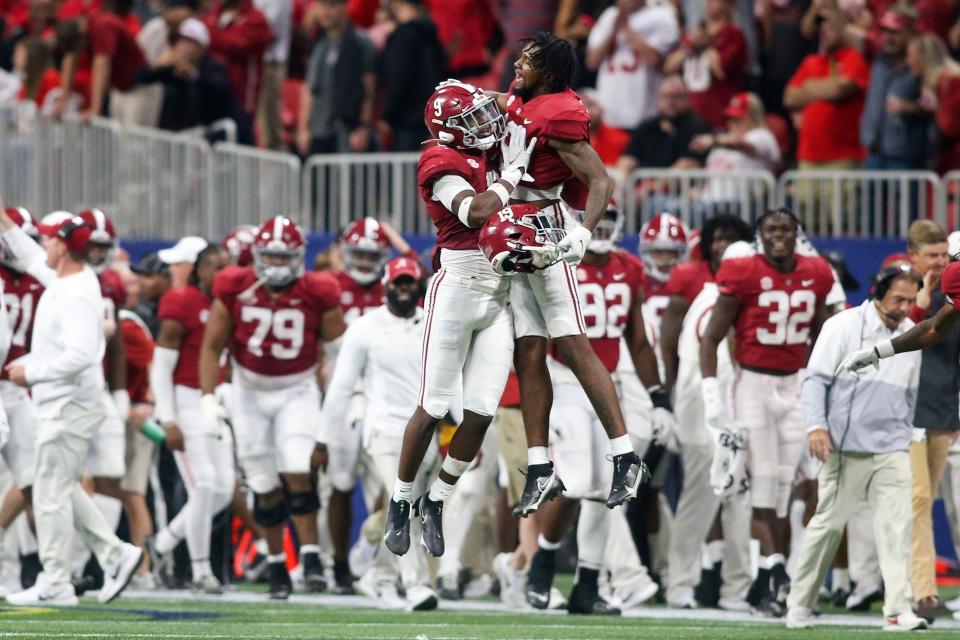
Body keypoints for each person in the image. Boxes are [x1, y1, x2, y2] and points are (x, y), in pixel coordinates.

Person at [382, 78, 535, 559]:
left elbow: (513, 108)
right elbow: (474, 212)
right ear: (450, 131)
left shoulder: (484, 152)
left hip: (498, 294)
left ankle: (437, 499)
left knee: (483, 412)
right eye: (472, 120)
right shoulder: (438, 160)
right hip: (456, 288)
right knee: (432, 405)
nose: (485, 124)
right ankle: (400, 501)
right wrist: (512, 174)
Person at [524, 204, 672, 615]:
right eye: (596, 219)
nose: (603, 227)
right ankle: (543, 562)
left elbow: (638, 341)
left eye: (609, 219)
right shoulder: (555, 261)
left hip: (606, 385)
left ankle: (588, 584)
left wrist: (658, 394)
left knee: (607, 488)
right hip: (566, 381)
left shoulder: (629, 268)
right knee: (579, 480)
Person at [0, 209, 142, 607]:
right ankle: (116, 553)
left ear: (61, 246)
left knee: (48, 494)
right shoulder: (68, 278)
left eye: (48, 239)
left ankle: (56, 581)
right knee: (59, 488)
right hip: (64, 404)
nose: (42, 244)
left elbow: (82, 354)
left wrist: (33, 372)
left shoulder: (79, 291)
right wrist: (5, 221)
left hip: (70, 405)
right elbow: (29, 257)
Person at [199, 216, 345, 599]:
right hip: (248, 389)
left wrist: (345, 396)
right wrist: (208, 397)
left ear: (298, 257)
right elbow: (212, 346)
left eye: (284, 258)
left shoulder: (317, 289)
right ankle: (279, 563)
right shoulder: (235, 286)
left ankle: (311, 557)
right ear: (257, 255)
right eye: (270, 257)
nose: (276, 266)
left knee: (297, 466)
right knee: (262, 483)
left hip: (297, 388)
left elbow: (339, 352)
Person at [699, 208, 835, 616]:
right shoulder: (742, 271)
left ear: (797, 233)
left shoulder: (817, 271)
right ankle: (775, 574)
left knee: (783, 489)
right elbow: (711, 339)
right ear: (760, 236)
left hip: (794, 384)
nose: (779, 236)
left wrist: (821, 382)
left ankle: (767, 580)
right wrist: (712, 395)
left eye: (786, 229)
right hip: (752, 385)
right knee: (761, 487)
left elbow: (826, 335)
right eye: (771, 229)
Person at [787, 265, 927, 632]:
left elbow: (910, 392)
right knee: (828, 527)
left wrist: (912, 434)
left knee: (898, 528)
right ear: (876, 292)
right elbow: (815, 379)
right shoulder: (843, 326)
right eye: (898, 298)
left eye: (912, 300)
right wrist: (816, 427)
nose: (905, 307)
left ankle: (897, 610)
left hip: (893, 448)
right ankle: (800, 602)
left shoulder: (911, 335)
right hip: (845, 448)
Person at [839, 219, 956, 622]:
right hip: (900, 411)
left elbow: (935, 331)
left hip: (940, 407)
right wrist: (879, 352)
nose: (942, 264)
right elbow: (919, 326)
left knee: (919, 502)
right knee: (911, 501)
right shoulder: (901, 283)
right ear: (913, 256)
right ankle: (911, 591)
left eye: (946, 257)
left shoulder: (951, 285)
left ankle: (907, 589)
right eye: (934, 257)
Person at [319, 256, 438, 611]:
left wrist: (460, 428)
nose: (403, 289)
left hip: (426, 429)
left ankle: (379, 576)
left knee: (406, 506)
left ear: (419, 286)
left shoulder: (434, 323)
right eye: (398, 283)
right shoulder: (364, 327)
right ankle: (415, 584)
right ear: (386, 286)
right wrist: (323, 438)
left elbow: (450, 379)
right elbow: (341, 386)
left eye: (409, 283)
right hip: (383, 428)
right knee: (406, 503)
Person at [324, 217, 412, 594]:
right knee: (340, 482)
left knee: (393, 482)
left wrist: (397, 238)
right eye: (356, 252)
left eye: (370, 254)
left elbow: (419, 268)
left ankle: (369, 551)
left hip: (383, 396)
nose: (362, 261)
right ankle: (338, 564)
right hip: (342, 393)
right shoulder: (328, 287)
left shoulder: (394, 288)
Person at [148, 243, 234, 594]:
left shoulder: (231, 302)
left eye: (226, 267)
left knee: (225, 489)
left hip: (215, 402)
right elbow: (162, 365)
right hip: (185, 399)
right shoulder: (182, 300)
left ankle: (162, 544)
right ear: (199, 270)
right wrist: (168, 418)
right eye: (214, 267)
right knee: (205, 485)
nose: (221, 274)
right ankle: (201, 572)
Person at [784, 14, 869, 172]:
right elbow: (789, 97)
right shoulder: (811, 61)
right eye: (822, 29)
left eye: (830, 28)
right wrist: (826, 88)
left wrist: (809, 86)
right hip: (808, 156)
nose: (825, 33)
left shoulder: (854, 58)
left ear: (845, 31)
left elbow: (840, 90)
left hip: (843, 157)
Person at [296, 0, 377, 156]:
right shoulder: (318, 44)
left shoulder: (362, 42)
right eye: (322, 5)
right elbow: (309, 89)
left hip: (348, 131)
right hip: (319, 131)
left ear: (345, 7)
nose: (326, 11)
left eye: (331, 5)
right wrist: (303, 129)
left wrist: (363, 127)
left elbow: (369, 89)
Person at [585, 0, 679, 131]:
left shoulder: (661, 13)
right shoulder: (609, 15)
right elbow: (591, 62)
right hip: (608, 115)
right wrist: (613, 31)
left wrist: (628, 30)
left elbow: (656, 60)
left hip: (645, 114)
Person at [860, 10, 928, 171]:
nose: (888, 38)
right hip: (874, 151)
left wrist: (910, 107)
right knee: (871, 196)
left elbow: (934, 106)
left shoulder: (920, 64)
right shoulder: (878, 59)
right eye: (885, 31)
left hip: (905, 156)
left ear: (910, 33)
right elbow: (845, 31)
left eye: (895, 32)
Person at [663, 0, 747, 130]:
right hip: (689, 113)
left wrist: (706, 45)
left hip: (717, 111)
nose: (709, 4)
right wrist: (689, 46)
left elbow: (720, 71)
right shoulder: (694, 34)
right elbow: (669, 67)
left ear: (730, 5)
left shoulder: (733, 34)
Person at [690, 92, 782, 207]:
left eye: (737, 119)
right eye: (730, 119)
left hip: (743, 206)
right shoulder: (723, 141)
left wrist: (714, 141)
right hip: (709, 203)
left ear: (753, 117)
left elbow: (744, 145)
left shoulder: (762, 135)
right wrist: (698, 192)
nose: (732, 124)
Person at [202, 0, 274, 145]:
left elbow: (238, 45)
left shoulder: (256, 18)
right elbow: (204, 34)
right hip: (213, 91)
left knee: (241, 142)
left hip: (241, 95)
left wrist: (213, 36)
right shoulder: (215, 14)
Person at [614, 75, 712, 180]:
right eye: (665, 96)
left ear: (688, 98)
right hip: (643, 190)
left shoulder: (696, 127)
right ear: (658, 98)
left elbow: (686, 165)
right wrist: (622, 182)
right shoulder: (646, 127)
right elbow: (628, 159)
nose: (670, 101)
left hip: (678, 192)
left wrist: (651, 188)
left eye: (676, 96)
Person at [381, 0, 446, 151]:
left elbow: (398, 79)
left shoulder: (403, 37)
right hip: (433, 117)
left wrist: (388, 115)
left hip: (407, 121)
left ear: (397, 4)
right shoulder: (432, 35)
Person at [906, 34, 960, 174]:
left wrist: (935, 107)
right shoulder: (938, 83)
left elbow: (950, 128)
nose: (908, 62)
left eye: (910, 56)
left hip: (954, 164)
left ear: (925, 57)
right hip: (946, 162)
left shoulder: (950, 81)